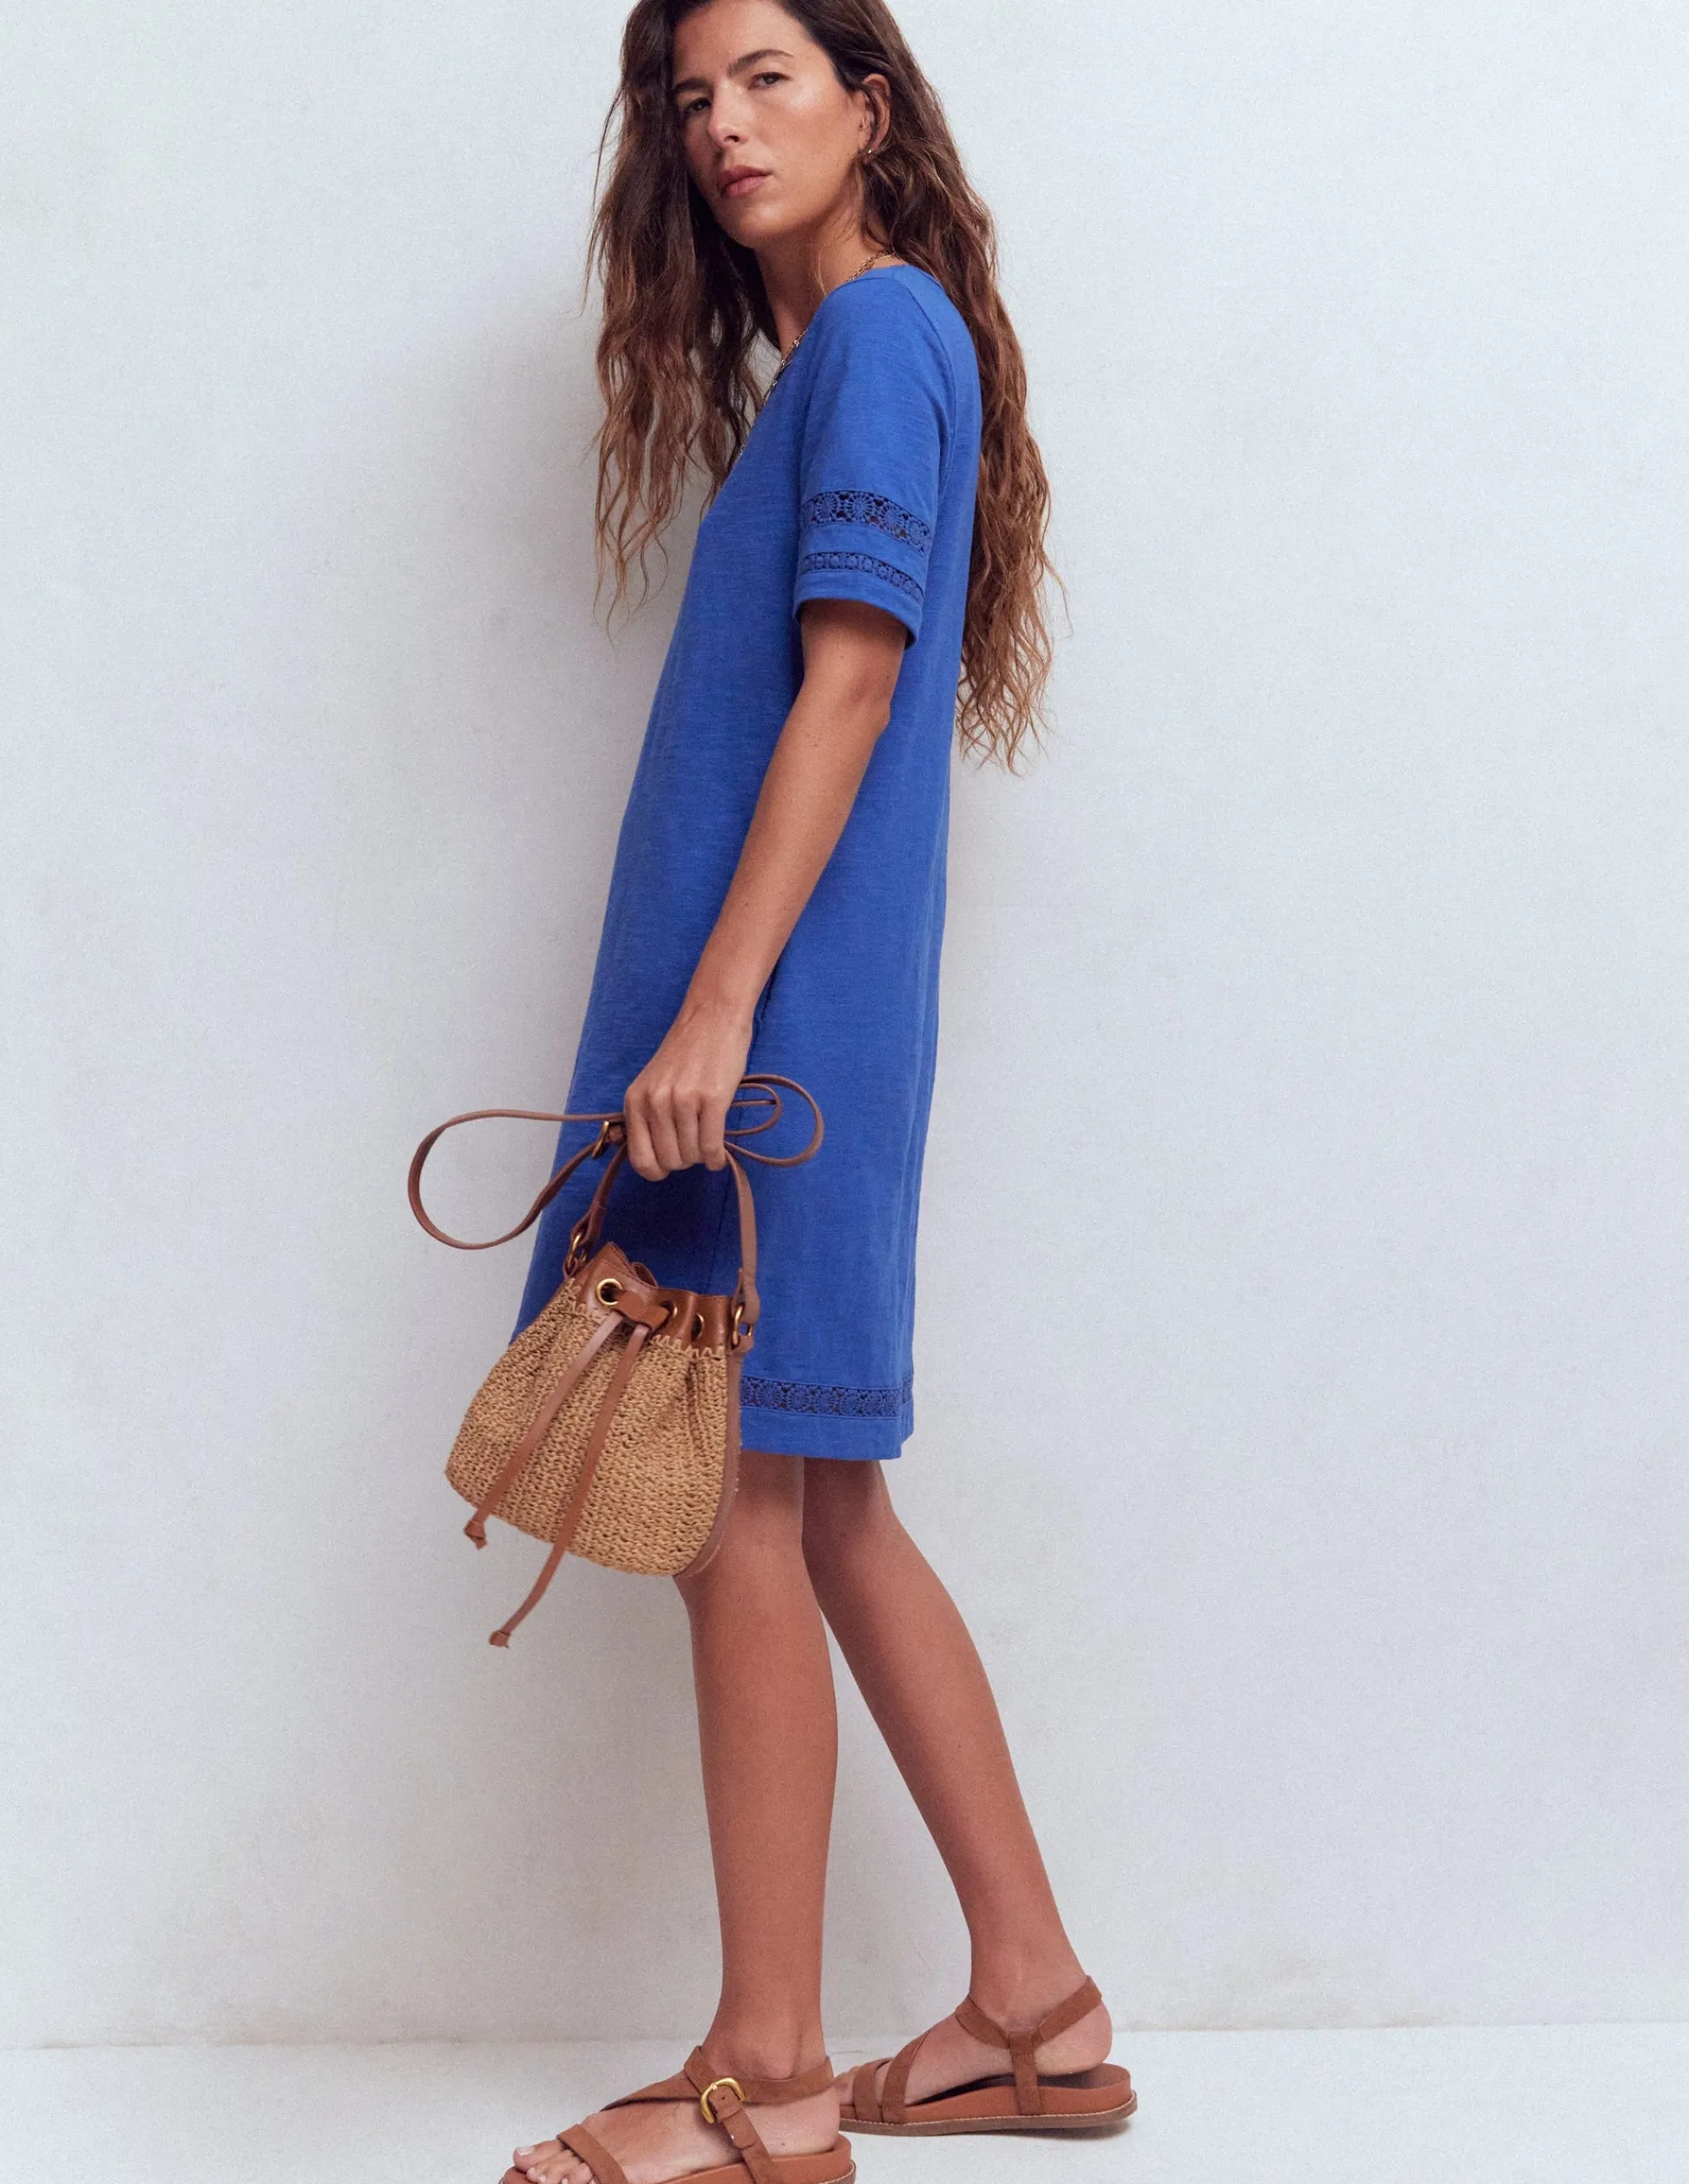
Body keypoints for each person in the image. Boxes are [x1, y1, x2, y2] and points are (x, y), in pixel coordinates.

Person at [502, 4, 1134, 2180]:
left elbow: (850, 689)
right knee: (825, 1501)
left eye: (767, 76)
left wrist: (710, 1017)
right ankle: (1034, 2002)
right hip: (792, 1030)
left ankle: (767, 2078)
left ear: (870, 106)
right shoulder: (866, 352)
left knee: (737, 1516)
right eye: (691, 98)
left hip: (763, 1044)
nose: (721, 125)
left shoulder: (873, 336)